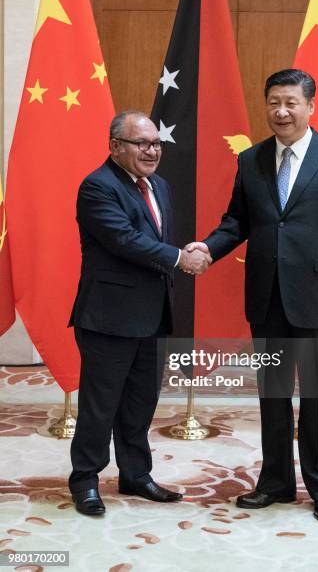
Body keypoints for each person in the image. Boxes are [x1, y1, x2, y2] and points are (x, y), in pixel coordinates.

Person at [186, 69, 318, 522]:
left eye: (290, 102)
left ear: (311, 106)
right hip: (267, 298)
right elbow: (237, 222)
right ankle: (275, 483)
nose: (280, 111)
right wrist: (208, 247)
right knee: (271, 394)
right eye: (273, 102)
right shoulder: (251, 160)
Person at [68, 111, 210, 515]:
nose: (151, 151)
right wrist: (180, 258)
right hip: (109, 318)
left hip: (151, 315)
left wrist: (188, 251)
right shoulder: (98, 186)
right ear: (114, 146)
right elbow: (124, 240)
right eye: (141, 143)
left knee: (140, 403)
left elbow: (154, 239)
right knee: (101, 405)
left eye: (156, 144)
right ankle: (85, 481)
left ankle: (135, 475)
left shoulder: (159, 186)